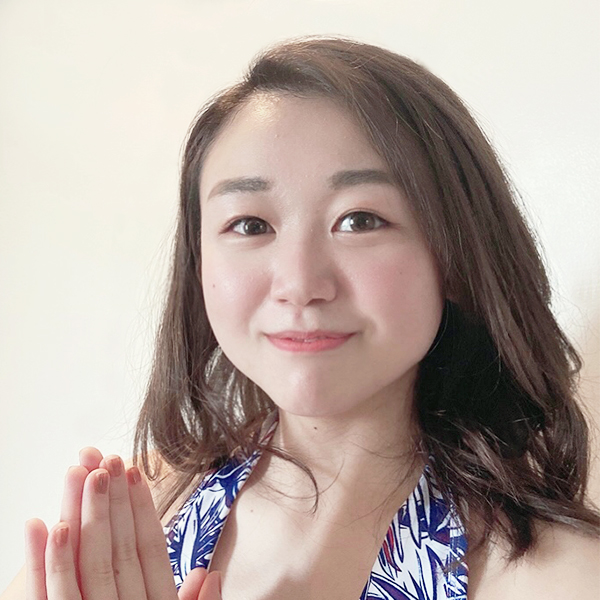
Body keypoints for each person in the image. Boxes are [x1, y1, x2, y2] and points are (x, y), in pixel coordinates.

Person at [3, 35, 599, 600]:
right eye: (250, 224)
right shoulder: (130, 525)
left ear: (457, 252)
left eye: (360, 220)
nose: (299, 284)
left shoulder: (558, 578)